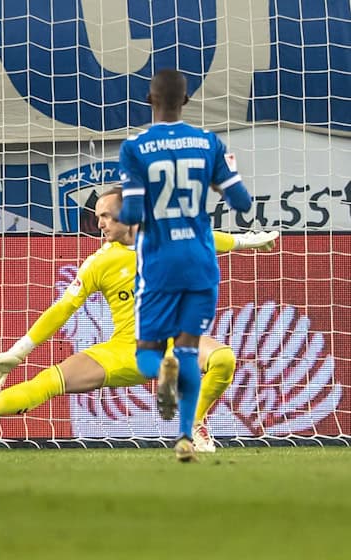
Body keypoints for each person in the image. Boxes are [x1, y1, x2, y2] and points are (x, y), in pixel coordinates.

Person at [0, 188, 274, 453]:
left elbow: (208, 240)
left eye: (106, 215)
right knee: (51, 381)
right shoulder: (99, 262)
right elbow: (61, 310)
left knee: (224, 358)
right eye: (98, 216)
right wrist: (19, 352)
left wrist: (249, 242)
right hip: (126, 351)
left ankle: (194, 424)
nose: (100, 223)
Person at [117, 68, 254, 461]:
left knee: (147, 356)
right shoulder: (209, 143)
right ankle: (184, 436)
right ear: (187, 101)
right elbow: (242, 202)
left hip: (159, 263)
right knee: (191, 352)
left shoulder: (135, 148)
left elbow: (131, 211)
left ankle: (163, 371)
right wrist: (211, 180)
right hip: (200, 260)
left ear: (149, 100)